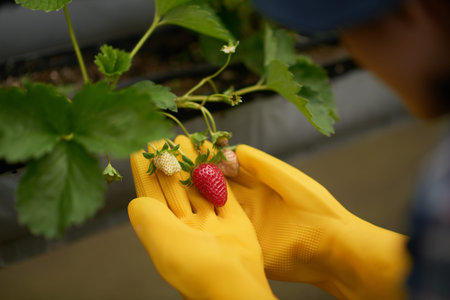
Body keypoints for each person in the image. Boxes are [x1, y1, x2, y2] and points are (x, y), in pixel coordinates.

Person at [127, 0, 450, 299]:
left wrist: (230, 290)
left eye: (344, 29)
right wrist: (334, 247)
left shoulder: (440, 202)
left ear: (415, 12)